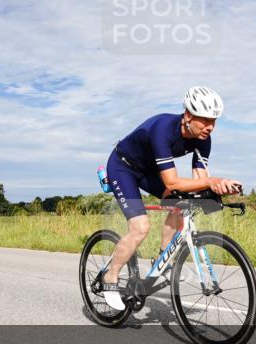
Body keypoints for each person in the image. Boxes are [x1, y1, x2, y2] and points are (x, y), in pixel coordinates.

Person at [101, 87, 242, 311]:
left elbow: (200, 180)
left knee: (182, 203)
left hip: (149, 171)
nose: (210, 127)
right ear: (188, 116)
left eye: (214, 121)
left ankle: (161, 259)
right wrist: (210, 181)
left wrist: (220, 188)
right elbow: (172, 183)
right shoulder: (163, 130)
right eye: (205, 120)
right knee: (140, 227)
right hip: (123, 167)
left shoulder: (204, 139)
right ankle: (110, 277)